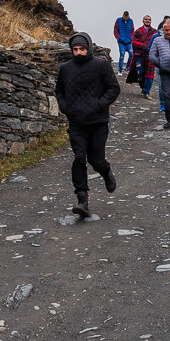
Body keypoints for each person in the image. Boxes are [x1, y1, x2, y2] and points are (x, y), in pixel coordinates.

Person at [55, 32, 120, 218]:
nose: (78, 52)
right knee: (79, 158)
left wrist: (99, 105)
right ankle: (82, 199)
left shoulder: (101, 65)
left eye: (82, 49)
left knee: (96, 160)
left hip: (98, 122)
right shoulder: (65, 68)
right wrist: (65, 107)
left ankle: (106, 171)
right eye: (75, 49)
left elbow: (114, 88)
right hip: (76, 123)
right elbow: (59, 91)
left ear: (88, 48)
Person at [129, 15, 159, 98]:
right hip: (139, 54)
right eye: (146, 19)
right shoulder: (138, 31)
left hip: (150, 55)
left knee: (149, 74)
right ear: (143, 20)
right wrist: (143, 45)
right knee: (139, 72)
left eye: (149, 19)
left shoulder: (154, 32)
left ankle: (146, 92)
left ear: (151, 21)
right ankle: (143, 87)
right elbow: (134, 42)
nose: (147, 21)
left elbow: (157, 42)